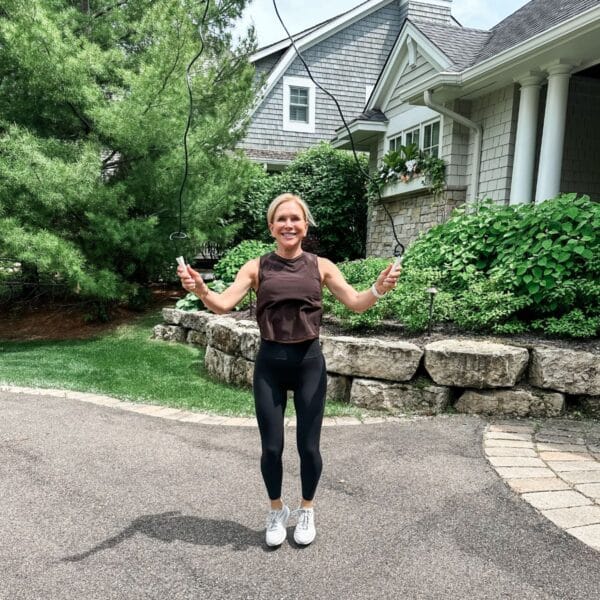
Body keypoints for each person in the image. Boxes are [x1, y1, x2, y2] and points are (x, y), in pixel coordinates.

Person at [177, 193, 400, 547]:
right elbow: (221, 305)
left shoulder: (321, 266)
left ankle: (307, 510)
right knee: (271, 448)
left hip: (309, 363)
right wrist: (200, 287)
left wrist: (378, 287)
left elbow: (357, 304)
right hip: (270, 365)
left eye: (295, 219)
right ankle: (276, 510)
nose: (289, 225)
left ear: (305, 225)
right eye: (281, 219)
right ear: (271, 227)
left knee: (308, 448)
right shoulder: (256, 268)